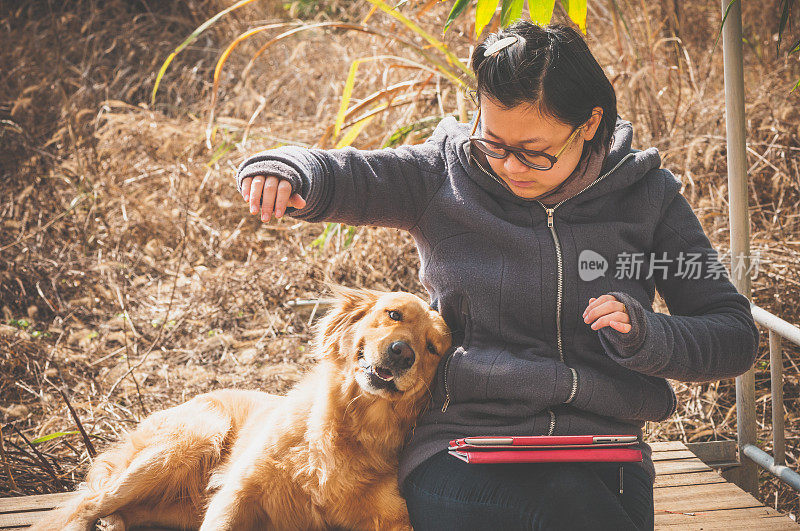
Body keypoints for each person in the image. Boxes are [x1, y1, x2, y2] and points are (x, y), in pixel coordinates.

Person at [235, 21, 760, 531]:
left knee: (576, 500)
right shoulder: (443, 175)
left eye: (535, 152)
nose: (510, 167)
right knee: (566, 507)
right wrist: (286, 169)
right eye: (494, 143)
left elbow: (734, 337)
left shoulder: (648, 198)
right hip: (464, 450)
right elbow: (349, 174)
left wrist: (648, 335)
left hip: (603, 452)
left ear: (591, 123)